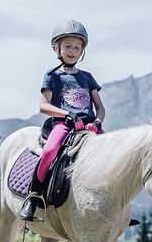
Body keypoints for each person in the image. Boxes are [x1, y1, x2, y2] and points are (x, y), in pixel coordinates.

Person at [19, 20, 106, 221]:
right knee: (49, 152)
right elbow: (43, 106)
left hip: (89, 127)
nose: (73, 51)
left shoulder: (88, 77)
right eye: (68, 46)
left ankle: (115, 207)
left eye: (77, 47)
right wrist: (67, 115)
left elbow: (100, 107)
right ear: (57, 48)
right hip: (64, 124)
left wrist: (97, 123)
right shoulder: (52, 76)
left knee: (112, 156)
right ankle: (33, 197)